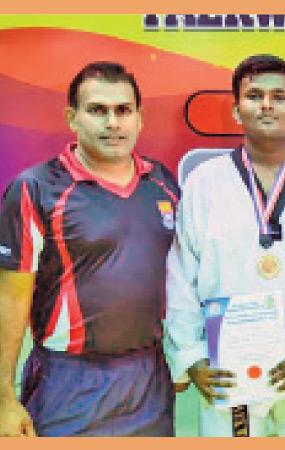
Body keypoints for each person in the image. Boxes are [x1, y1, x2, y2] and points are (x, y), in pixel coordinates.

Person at [164, 54, 285, 437]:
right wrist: (193, 355)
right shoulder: (204, 183)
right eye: (254, 95)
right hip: (228, 365)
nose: (266, 105)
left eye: (279, 96)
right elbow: (180, 276)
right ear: (235, 109)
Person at [0, 61, 179, 436]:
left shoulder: (162, 183)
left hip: (149, 378)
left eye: (123, 111)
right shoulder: (36, 188)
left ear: (139, 119)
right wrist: (3, 399)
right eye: (97, 110)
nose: (112, 123)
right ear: (72, 117)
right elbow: (10, 299)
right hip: (68, 381)